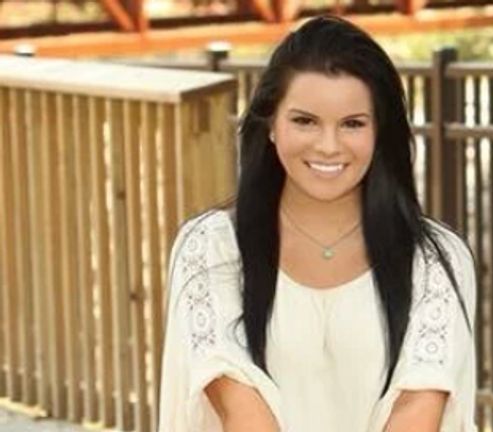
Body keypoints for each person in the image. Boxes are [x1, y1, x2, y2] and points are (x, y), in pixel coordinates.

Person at [158, 14, 476, 432]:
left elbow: (418, 413)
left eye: (352, 124)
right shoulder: (211, 247)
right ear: (271, 124)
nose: (328, 146)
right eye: (305, 121)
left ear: (379, 133)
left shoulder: (436, 258)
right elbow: (243, 414)